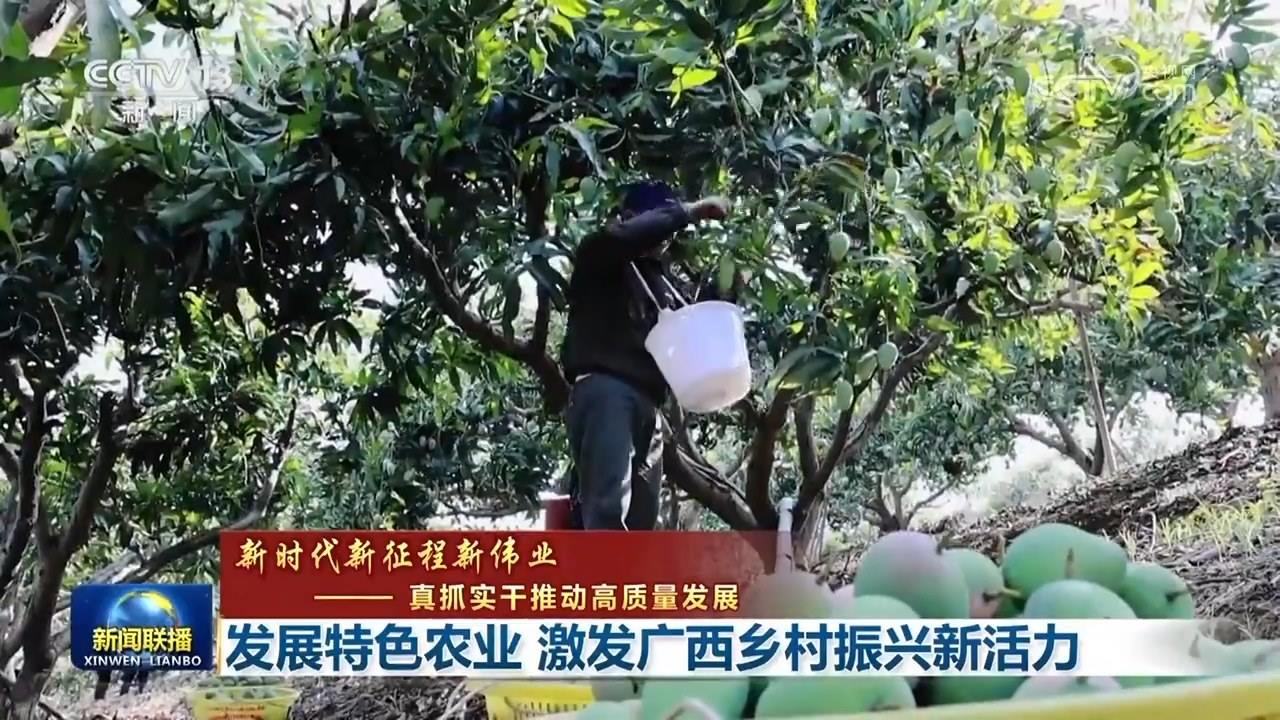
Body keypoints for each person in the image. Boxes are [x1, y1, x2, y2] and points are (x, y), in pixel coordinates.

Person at [560, 180, 730, 530]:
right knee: (607, 510)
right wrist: (688, 212)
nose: (665, 238)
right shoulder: (601, 252)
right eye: (658, 221)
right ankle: (600, 566)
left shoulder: (660, 281)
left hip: (647, 404)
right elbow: (631, 236)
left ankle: (627, 567)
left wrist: (730, 281)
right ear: (628, 218)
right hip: (607, 390)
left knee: (642, 518)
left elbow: (693, 325)